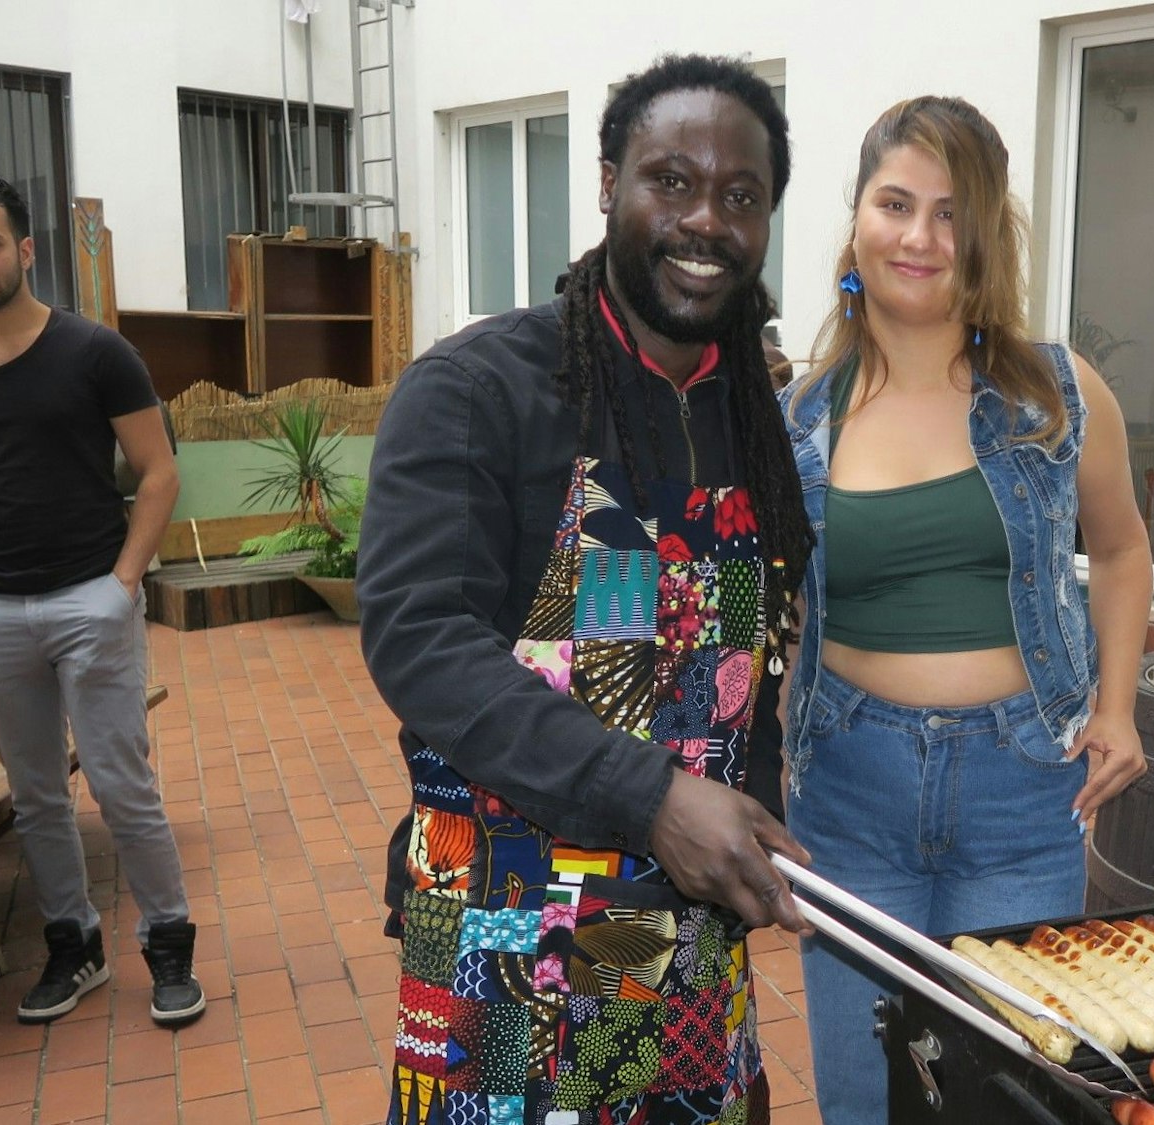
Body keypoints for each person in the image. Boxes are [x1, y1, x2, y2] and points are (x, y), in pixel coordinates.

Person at [358, 54, 813, 1125]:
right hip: (503, 921)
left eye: (740, 196)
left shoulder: (745, 415)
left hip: (673, 935)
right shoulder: (478, 390)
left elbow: (736, 666)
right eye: (672, 179)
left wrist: (758, 813)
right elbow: (420, 641)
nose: (705, 220)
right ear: (607, 183)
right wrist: (651, 799)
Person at [780, 96, 1154, 1123]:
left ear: (982, 235)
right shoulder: (795, 423)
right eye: (895, 203)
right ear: (855, 218)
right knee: (863, 1100)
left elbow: (1119, 549)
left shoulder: (1056, 396)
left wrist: (1116, 709)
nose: (920, 237)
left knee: (1007, 1098)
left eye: (951, 213)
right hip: (848, 799)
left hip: (1019, 793)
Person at [0, 173, 202, 1028]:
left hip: (89, 601)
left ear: (25, 249)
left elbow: (158, 471)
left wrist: (122, 585)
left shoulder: (94, 352)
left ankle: (169, 942)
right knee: (34, 793)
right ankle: (74, 944)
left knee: (120, 781)